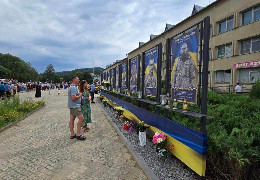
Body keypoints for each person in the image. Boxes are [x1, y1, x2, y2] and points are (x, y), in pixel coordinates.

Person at [68, 76, 86, 140]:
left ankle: (72, 134)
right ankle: (78, 134)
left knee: (72, 119)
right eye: (78, 79)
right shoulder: (73, 88)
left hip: (73, 106)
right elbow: (73, 98)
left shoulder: (73, 87)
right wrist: (80, 95)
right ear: (74, 79)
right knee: (81, 118)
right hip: (75, 106)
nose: (79, 80)